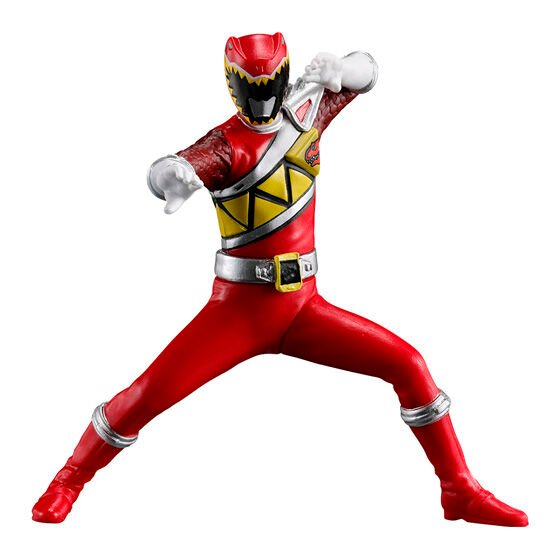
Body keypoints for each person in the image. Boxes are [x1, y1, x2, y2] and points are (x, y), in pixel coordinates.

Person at [32, 32, 528, 526]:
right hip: (238, 313)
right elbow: (173, 167)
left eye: (271, 83)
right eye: (253, 86)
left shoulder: (307, 112)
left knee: (409, 364)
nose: (264, 96)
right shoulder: (226, 145)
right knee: (146, 395)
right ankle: (68, 478)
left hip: (304, 307)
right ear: (234, 84)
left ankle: (459, 490)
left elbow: (367, 72)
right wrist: (173, 177)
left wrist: (341, 69)